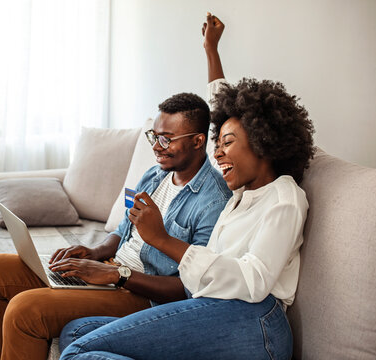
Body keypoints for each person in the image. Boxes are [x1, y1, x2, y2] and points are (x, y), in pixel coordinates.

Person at [58, 12, 315, 360]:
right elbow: (219, 100)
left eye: (226, 143)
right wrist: (211, 49)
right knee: (74, 330)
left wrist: (162, 239)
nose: (218, 152)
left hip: (254, 322)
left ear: (262, 143)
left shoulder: (285, 198)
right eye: (217, 143)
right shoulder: (241, 190)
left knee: (78, 352)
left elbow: (253, 282)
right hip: (213, 307)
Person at [0, 90, 232, 359]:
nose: (156, 146)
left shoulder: (213, 202)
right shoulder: (155, 175)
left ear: (198, 141)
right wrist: (96, 253)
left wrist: (118, 276)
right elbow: (122, 231)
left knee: (26, 309)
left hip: (142, 294)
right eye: (154, 136)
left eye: (166, 139)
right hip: (111, 272)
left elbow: (190, 287)